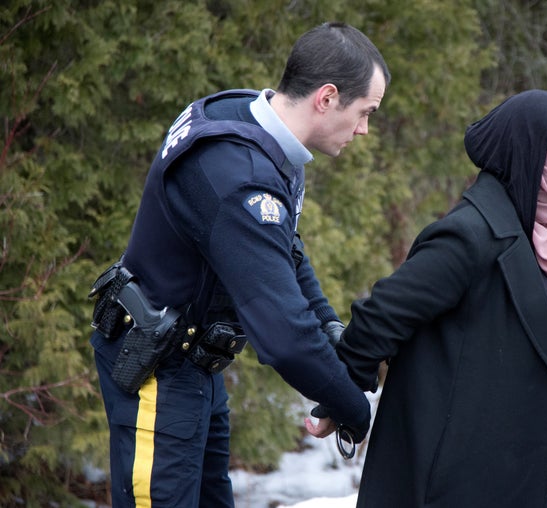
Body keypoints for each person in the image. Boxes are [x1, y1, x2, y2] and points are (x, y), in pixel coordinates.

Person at [88, 22, 390, 508]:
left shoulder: (253, 120)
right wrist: (353, 409)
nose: (364, 129)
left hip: (196, 365)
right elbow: (285, 334)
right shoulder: (239, 177)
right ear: (327, 97)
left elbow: (285, 248)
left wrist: (332, 329)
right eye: (365, 112)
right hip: (159, 378)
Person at [327, 90, 547, 507]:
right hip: (463, 479)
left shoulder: (541, 235)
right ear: (526, 156)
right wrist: (341, 398)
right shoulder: (470, 234)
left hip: (530, 468)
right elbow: (381, 316)